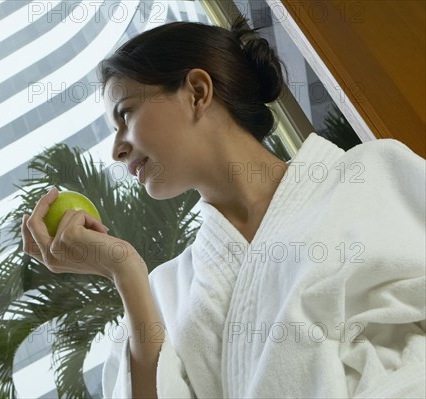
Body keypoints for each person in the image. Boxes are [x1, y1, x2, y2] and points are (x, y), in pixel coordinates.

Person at [22, 16, 426, 398]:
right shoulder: (165, 292)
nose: (117, 149)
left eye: (126, 114)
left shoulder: (372, 173)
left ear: (197, 92)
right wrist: (123, 269)